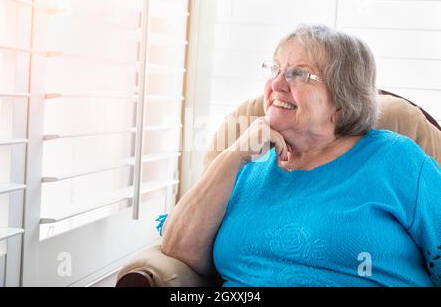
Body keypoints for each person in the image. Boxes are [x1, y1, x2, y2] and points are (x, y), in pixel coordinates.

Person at [160, 24, 441, 286]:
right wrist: (234, 157)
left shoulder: (396, 161)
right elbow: (178, 250)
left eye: (299, 74)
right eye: (275, 69)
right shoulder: (244, 166)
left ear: (342, 101)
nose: (278, 84)